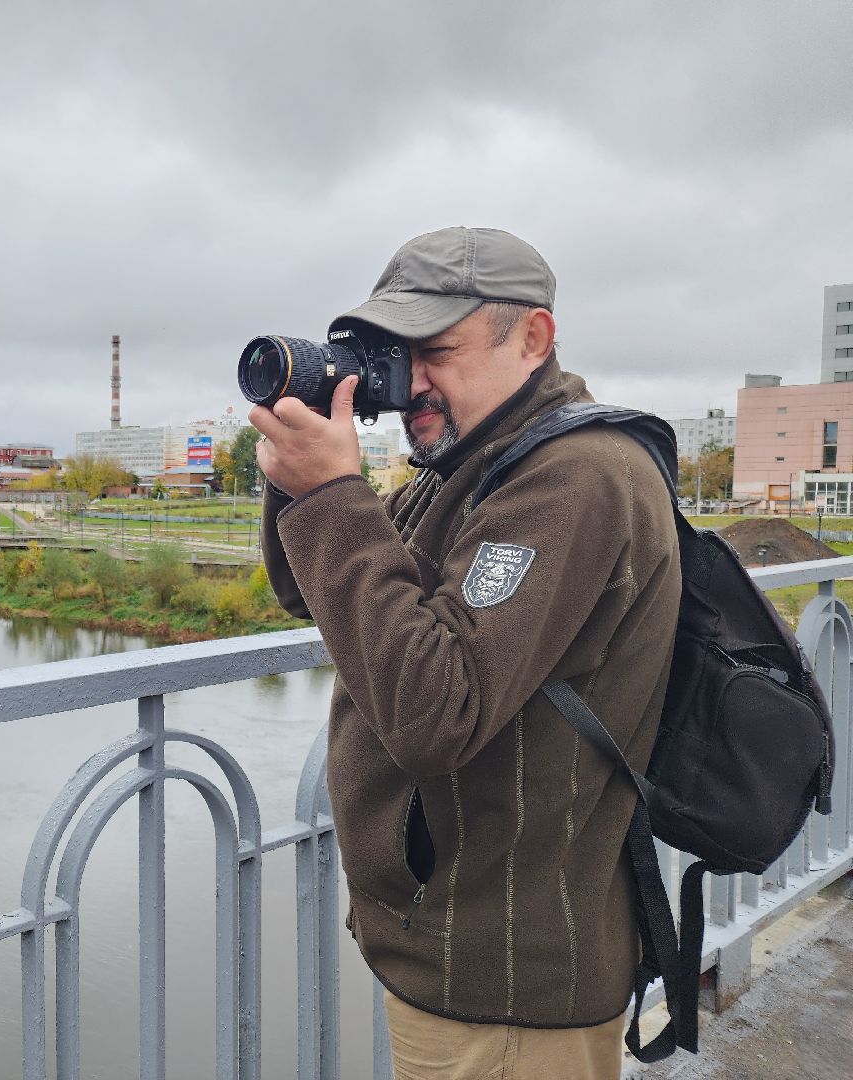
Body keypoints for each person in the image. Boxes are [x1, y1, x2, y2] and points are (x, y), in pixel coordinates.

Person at [250, 227, 680, 1080]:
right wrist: (299, 477)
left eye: (438, 351)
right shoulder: (469, 461)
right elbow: (311, 589)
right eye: (397, 354)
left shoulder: (573, 476)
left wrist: (333, 493)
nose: (410, 381)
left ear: (533, 338)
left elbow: (433, 712)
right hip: (456, 939)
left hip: (507, 980)